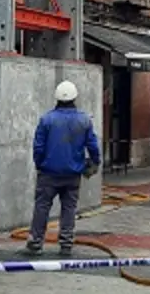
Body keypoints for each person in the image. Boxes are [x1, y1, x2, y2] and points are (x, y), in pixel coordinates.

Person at [24, 80, 101, 257]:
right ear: (75, 98)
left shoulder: (46, 119)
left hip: (48, 173)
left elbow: (38, 147)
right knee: (69, 208)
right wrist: (95, 162)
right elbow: (93, 146)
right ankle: (66, 243)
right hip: (73, 173)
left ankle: (36, 242)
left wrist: (40, 165)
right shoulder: (84, 120)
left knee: (42, 206)